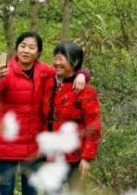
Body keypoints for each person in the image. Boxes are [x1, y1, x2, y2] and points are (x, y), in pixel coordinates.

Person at [0, 31, 86, 195]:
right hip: (7, 143)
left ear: (38, 52)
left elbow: (67, 70)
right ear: (16, 48)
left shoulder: (45, 71)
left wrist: (82, 74)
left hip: (33, 144)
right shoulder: (6, 70)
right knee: (5, 191)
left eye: (32, 47)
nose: (26, 50)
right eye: (23, 45)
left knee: (30, 193)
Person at [42, 41, 102, 186]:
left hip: (74, 156)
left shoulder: (85, 91)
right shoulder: (49, 84)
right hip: (51, 154)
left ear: (74, 62)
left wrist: (87, 158)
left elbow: (93, 126)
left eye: (61, 59)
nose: (57, 63)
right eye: (55, 58)